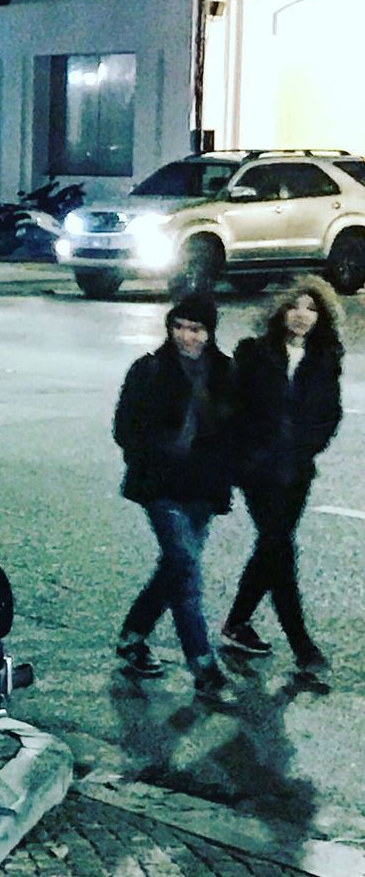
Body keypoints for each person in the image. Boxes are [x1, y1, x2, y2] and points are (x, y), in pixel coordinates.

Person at [113, 293, 235, 700]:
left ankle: (132, 638)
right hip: (162, 488)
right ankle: (204, 668)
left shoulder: (224, 372)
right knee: (185, 572)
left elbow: (237, 431)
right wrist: (153, 455)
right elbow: (124, 427)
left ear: (210, 332)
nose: (186, 336)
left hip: (203, 490)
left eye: (196, 329)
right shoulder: (149, 369)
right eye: (179, 327)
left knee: (173, 570)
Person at [220, 277, 343, 676]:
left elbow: (330, 414)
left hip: (296, 471)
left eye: (311, 308)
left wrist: (306, 448)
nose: (302, 315)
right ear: (281, 311)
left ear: (320, 315)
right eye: (295, 306)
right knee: (279, 549)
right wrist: (252, 452)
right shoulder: (254, 353)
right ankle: (303, 647)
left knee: (273, 546)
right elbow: (234, 409)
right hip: (258, 470)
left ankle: (238, 622)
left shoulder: (325, 357)